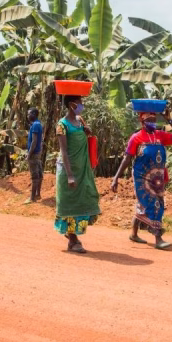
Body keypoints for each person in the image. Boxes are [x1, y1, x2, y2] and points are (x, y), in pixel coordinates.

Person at [111, 105, 172, 250]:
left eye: (155, 119)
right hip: (141, 176)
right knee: (152, 204)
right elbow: (127, 158)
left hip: (158, 177)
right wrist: (116, 177)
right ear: (142, 122)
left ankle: (133, 234)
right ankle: (158, 239)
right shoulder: (136, 137)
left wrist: (170, 121)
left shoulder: (160, 135)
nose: (153, 122)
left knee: (146, 204)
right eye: (150, 119)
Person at [55, 95, 100, 253]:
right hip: (69, 169)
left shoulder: (80, 121)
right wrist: (69, 175)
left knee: (86, 198)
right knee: (70, 204)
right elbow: (64, 151)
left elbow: (87, 139)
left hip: (83, 169)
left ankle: (72, 236)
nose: (81, 105)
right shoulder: (62, 125)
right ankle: (73, 240)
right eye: (79, 103)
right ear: (71, 104)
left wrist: (87, 131)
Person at [26, 108, 44, 203]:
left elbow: (34, 141)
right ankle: (38, 194)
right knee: (39, 174)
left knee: (34, 176)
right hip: (37, 153)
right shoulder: (38, 124)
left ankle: (32, 198)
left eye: (29, 114)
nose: (27, 116)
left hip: (33, 153)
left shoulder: (36, 125)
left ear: (33, 114)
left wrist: (29, 154)